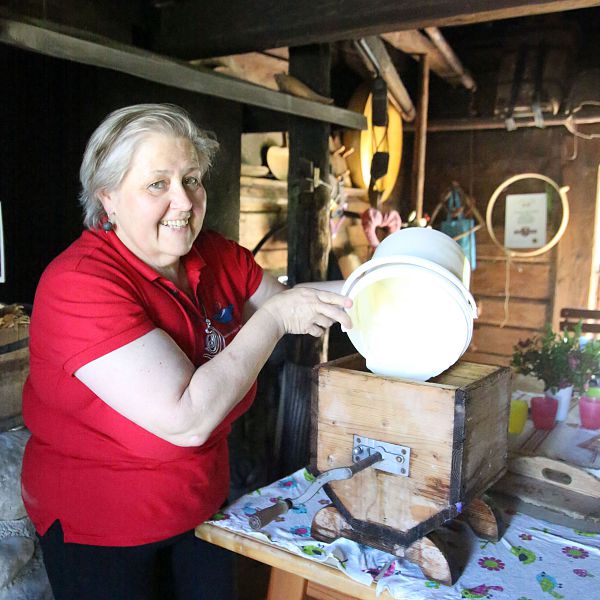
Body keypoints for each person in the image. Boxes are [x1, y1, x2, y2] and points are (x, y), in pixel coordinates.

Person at [21, 103, 352, 600]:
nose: (184, 201)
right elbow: (186, 417)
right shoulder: (80, 283)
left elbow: (293, 303)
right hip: (104, 527)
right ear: (107, 197)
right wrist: (275, 321)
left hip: (200, 503)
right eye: (158, 184)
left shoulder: (212, 254)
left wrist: (394, 287)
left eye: (192, 180)